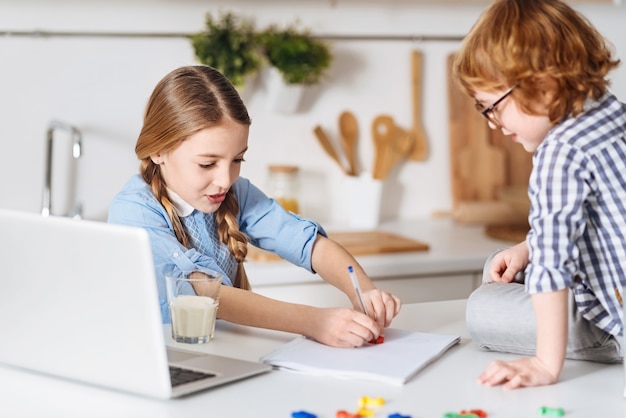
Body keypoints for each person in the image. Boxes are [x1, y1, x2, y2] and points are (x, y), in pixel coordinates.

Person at [108, 65, 401, 348]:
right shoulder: (134, 212)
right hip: (165, 361)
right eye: (207, 163)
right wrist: (315, 321)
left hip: (228, 355)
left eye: (237, 160)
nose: (225, 180)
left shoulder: (236, 193)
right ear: (158, 150)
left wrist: (363, 290)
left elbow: (309, 244)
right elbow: (206, 293)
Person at [454, 0, 626, 389]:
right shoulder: (614, 114)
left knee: (484, 303)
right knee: (507, 261)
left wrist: (546, 364)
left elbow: (553, 263)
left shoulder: (560, 152)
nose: (494, 124)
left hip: (612, 323)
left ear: (543, 84)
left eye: (492, 107)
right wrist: (529, 246)